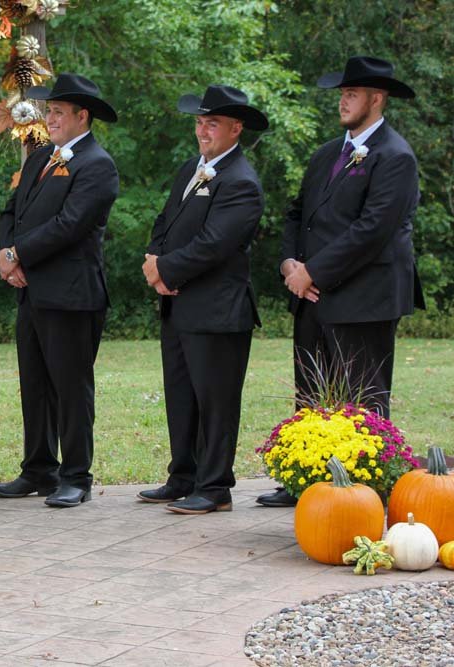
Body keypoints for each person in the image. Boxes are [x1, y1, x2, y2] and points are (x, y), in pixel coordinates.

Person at [257, 56, 425, 508]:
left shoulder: (396, 156)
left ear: (377, 98)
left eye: (352, 94)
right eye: (342, 93)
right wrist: (291, 265)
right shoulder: (327, 153)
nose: (344, 101)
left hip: (366, 296)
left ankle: (364, 492)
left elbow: (373, 230)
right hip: (311, 294)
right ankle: (308, 481)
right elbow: (297, 214)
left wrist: (315, 271)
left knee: (363, 399)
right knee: (311, 395)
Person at [0, 73, 119, 508]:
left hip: (72, 294)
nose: (51, 118)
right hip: (31, 290)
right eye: (49, 111)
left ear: (83, 116)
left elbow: (70, 226)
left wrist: (19, 254)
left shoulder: (97, 165)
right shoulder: (40, 156)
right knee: (36, 383)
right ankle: (38, 468)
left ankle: (76, 475)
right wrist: (9, 255)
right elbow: (12, 211)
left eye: (59, 112)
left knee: (70, 386)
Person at [138, 85, 267, 515]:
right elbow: (165, 221)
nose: (202, 130)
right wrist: (154, 260)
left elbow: (216, 244)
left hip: (218, 311)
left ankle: (214, 487)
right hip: (178, 304)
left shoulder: (242, 182)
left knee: (215, 401)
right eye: (199, 122)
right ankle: (183, 475)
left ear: (236, 128)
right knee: (181, 396)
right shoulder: (191, 170)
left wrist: (167, 270)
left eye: (212, 123)